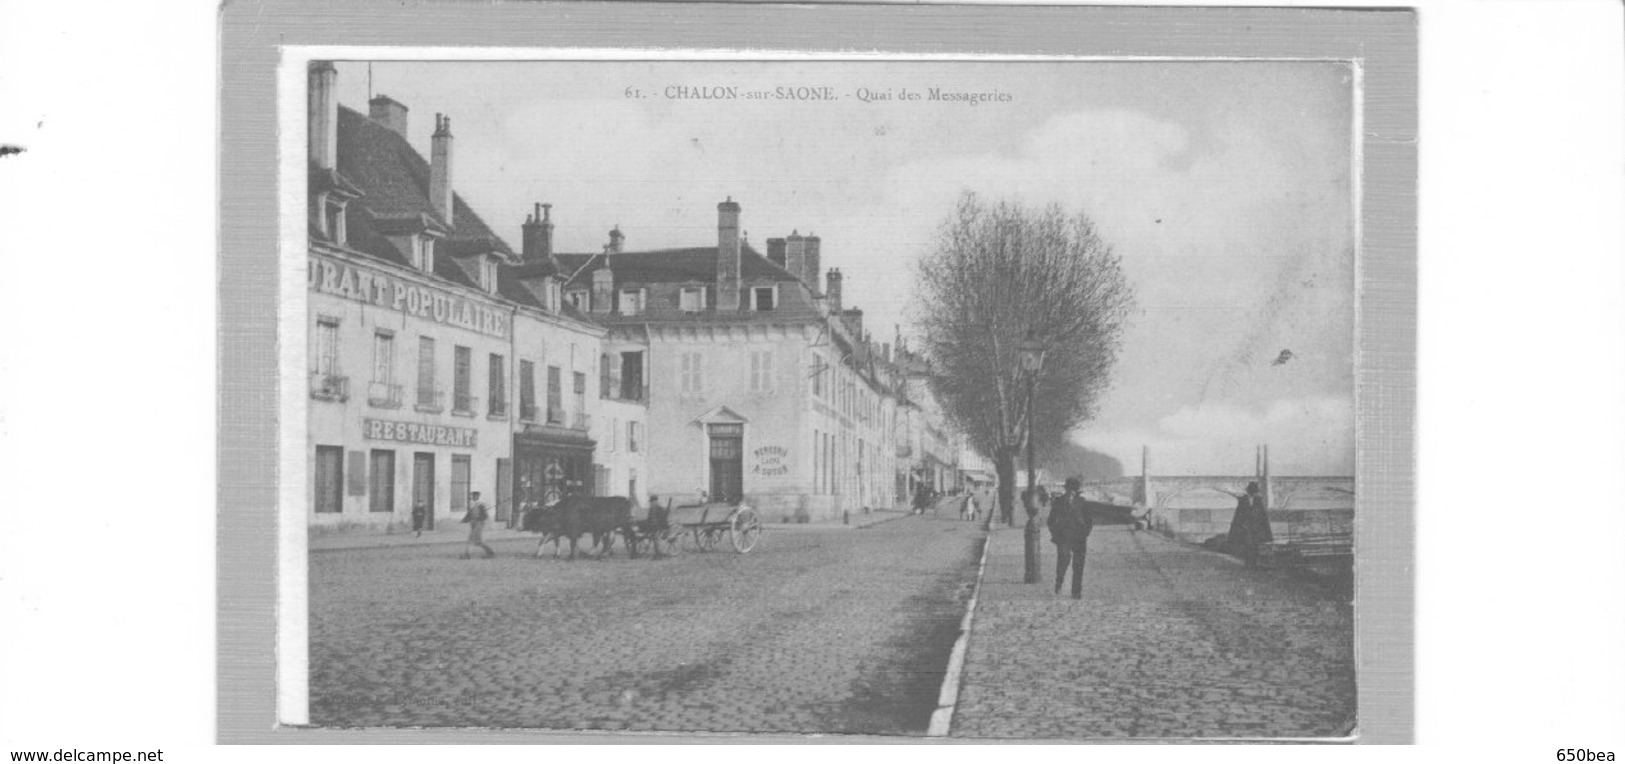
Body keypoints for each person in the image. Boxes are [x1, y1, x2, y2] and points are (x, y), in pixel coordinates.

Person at [1046, 477, 1095, 599]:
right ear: (1066, 489)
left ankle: (1076, 591)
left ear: (1076, 490)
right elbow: (1050, 520)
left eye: (1073, 490)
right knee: (1063, 563)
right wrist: (1055, 535)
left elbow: (1089, 521)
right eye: (1069, 490)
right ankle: (1059, 582)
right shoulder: (1059, 502)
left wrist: (1085, 533)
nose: (1071, 493)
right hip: (1064, 538)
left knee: (1078, 565)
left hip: (1079, 538)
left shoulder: (1082, 502)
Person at [1227, 481, 1273, 566]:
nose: (1253, 493)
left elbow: (1262, 513)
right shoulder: (1243, 500)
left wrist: (1263, 526)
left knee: (1254, 545)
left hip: (1255, 526)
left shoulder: (1258, 500)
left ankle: (1253, 563)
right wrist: (1240, 524)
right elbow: (1239, 513)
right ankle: (1248, 563)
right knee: (1248, 544)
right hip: (1246, 526)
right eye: (1252, 491)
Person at [461, 491, 496, 559]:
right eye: (472, 496)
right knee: (479, 541)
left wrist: (479, 519)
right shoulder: (472, 504)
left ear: (478, 496)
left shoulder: (481, 505)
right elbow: (469, 514)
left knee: (471, 539)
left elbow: (485, 516)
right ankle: (490, 552)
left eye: (475, 496)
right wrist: (465, 520)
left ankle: (467, 554)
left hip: (480, 523)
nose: (473, 497)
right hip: (474, 523)